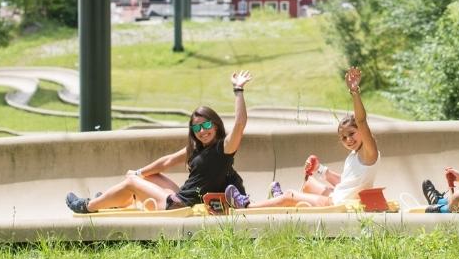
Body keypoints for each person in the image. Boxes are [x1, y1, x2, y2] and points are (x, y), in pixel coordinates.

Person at [65, 70, 253, 213]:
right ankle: (112, 200)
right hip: (182, 198)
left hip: (179, 204)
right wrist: (139, 172)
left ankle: (88, 206)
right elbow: (167, 161)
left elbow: (240, 124)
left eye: (206, 125)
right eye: (197, 128)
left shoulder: (223, 148)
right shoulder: (197, 148)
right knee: (142, 176)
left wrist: (238, 90)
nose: (202, 131)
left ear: (216, 125)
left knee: (131, 182)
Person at [241, 66, 380, 209]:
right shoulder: (354, 155)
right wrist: (320, 169)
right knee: (309, 184)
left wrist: (354, 91)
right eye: (343, 138)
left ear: (361, 131)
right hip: (338, 196)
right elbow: (345, 184)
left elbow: (361, 120)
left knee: (289, 195)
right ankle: (278, 200)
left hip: (336, 204)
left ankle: (248, 206)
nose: (348, 139)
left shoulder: (369, 153)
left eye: (351, 133)